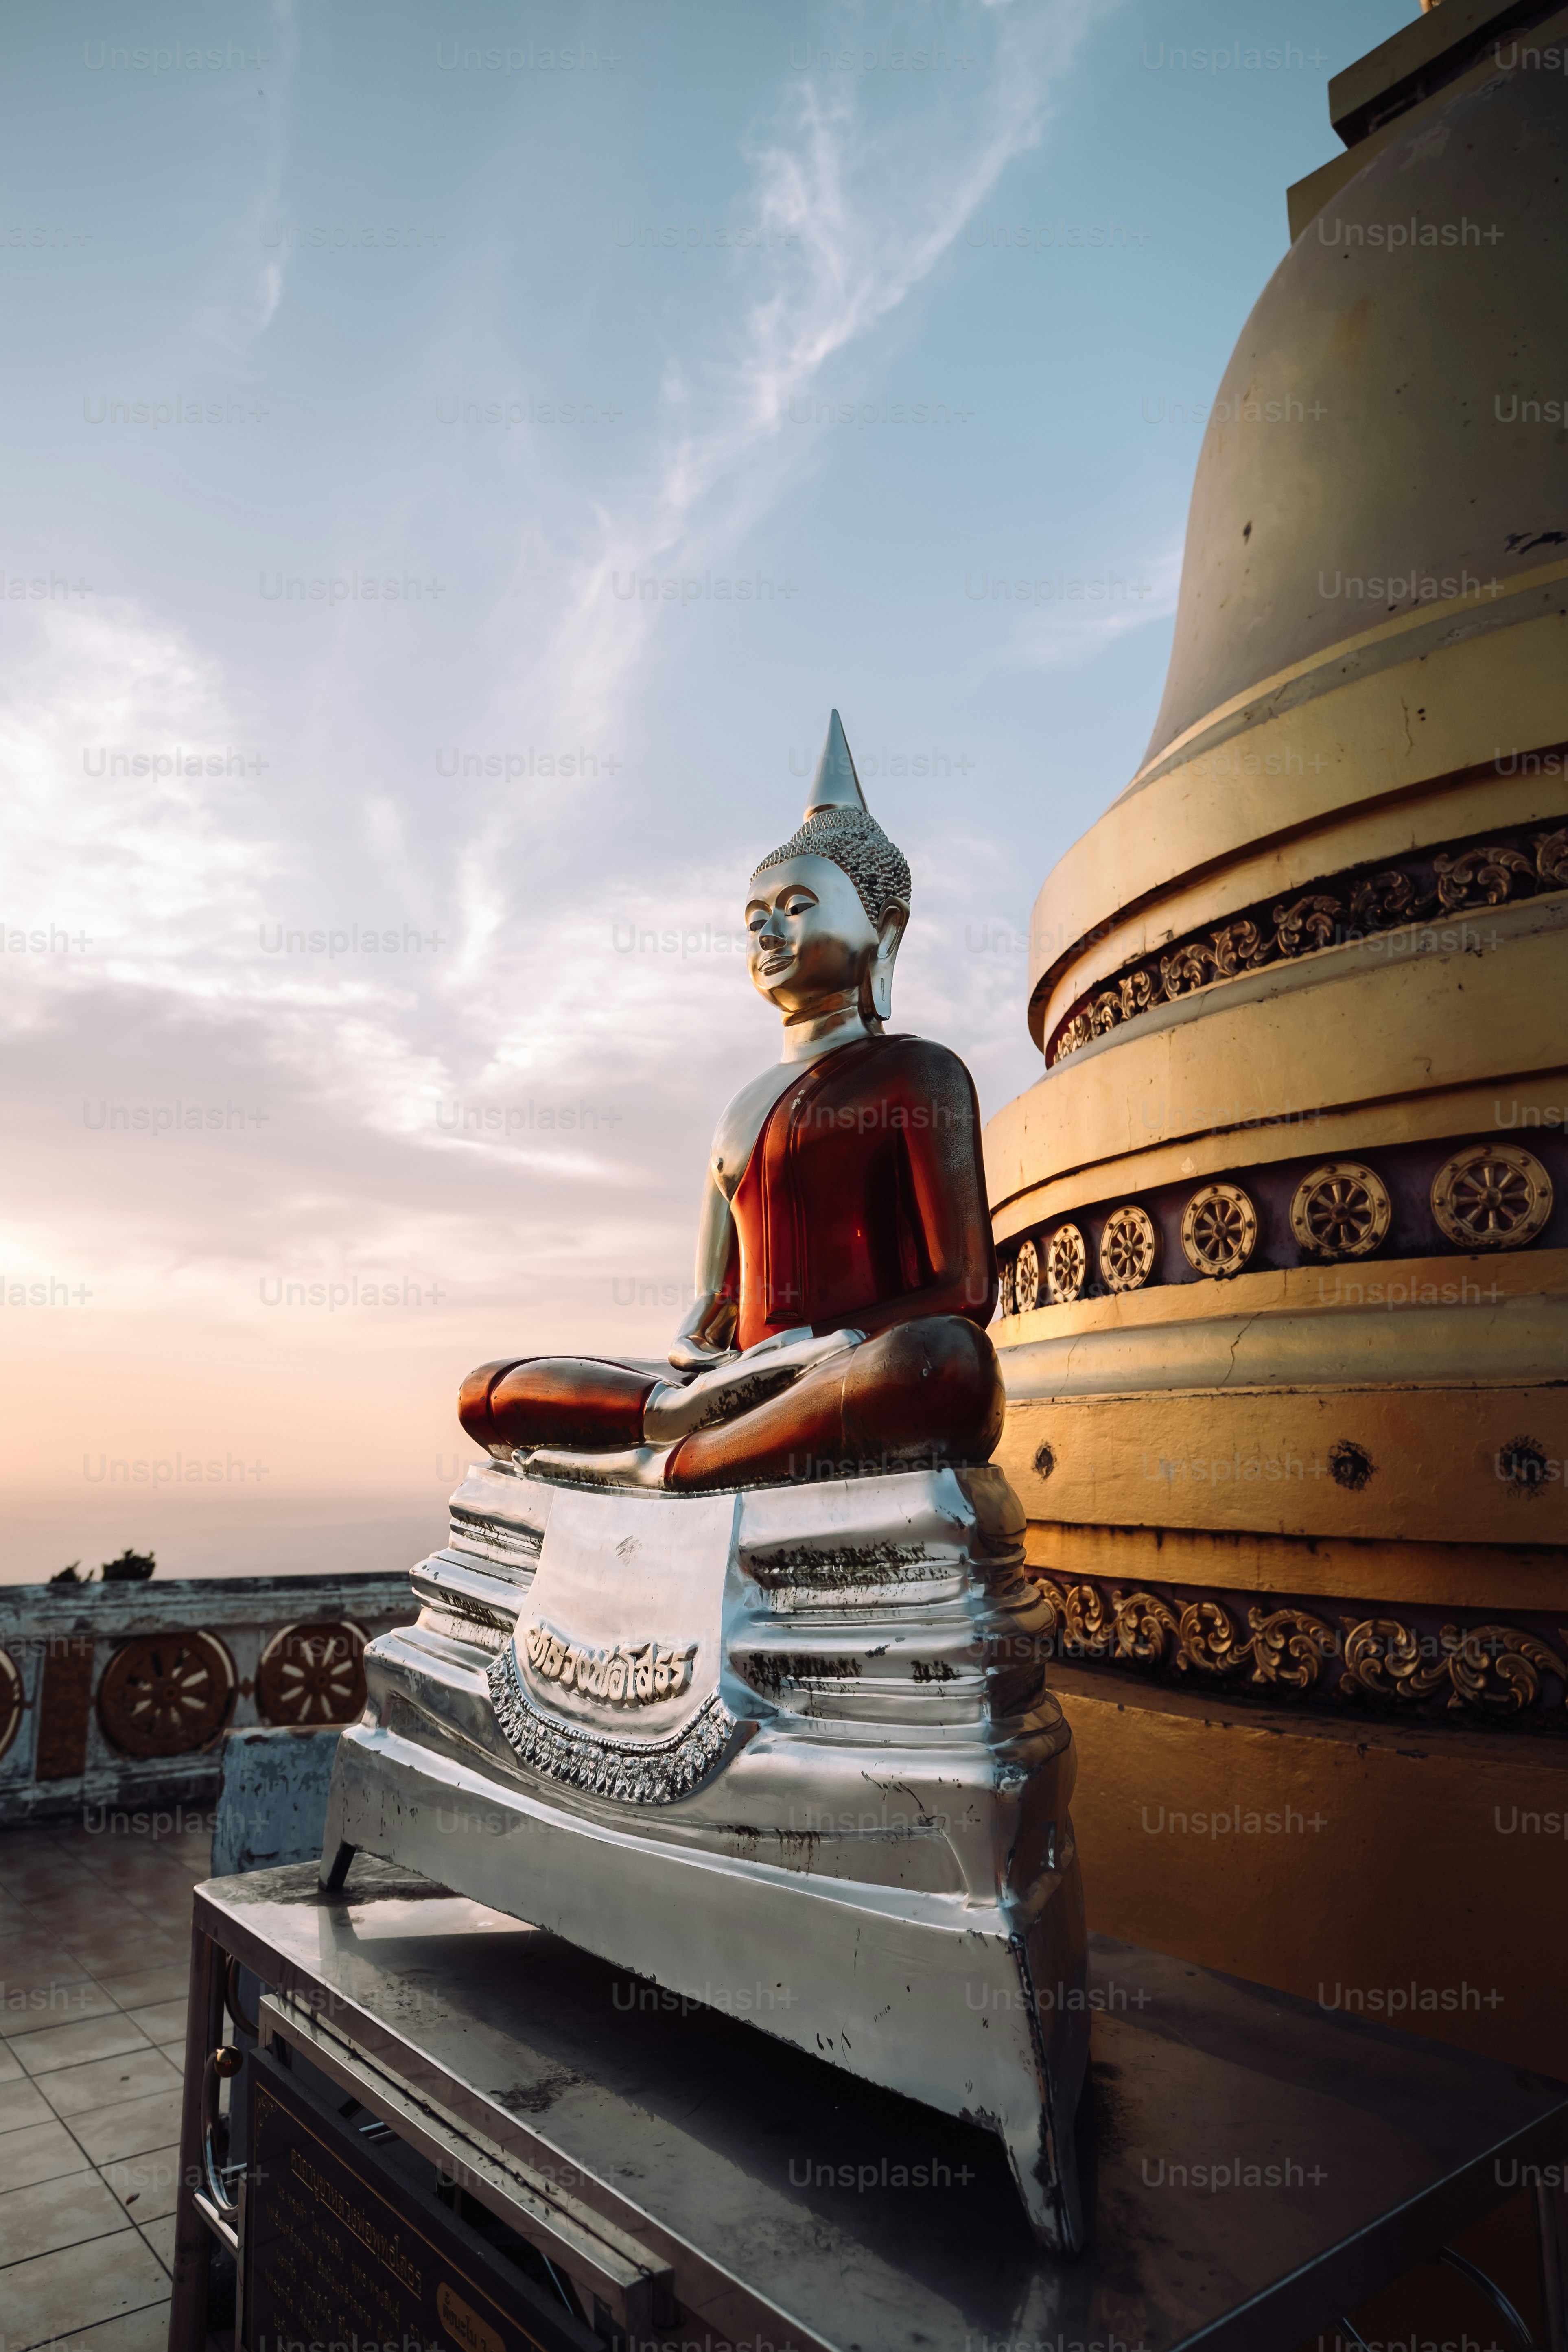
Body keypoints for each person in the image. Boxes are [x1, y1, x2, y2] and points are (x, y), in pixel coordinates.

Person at [458, 711, 1004, 1490]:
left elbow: (965, 1290)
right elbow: (710, 1304)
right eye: (755, 919)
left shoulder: (918, 1074)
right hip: (727, 1386)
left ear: (883, 934)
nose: (768, 933)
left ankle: (667, 1465)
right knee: (490, 1390)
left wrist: (811, 1347)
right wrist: (697, 1361)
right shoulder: (741, 1106)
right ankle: (675, 1428)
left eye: (798, 907)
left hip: (835, 1370)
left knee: (946, 1362)